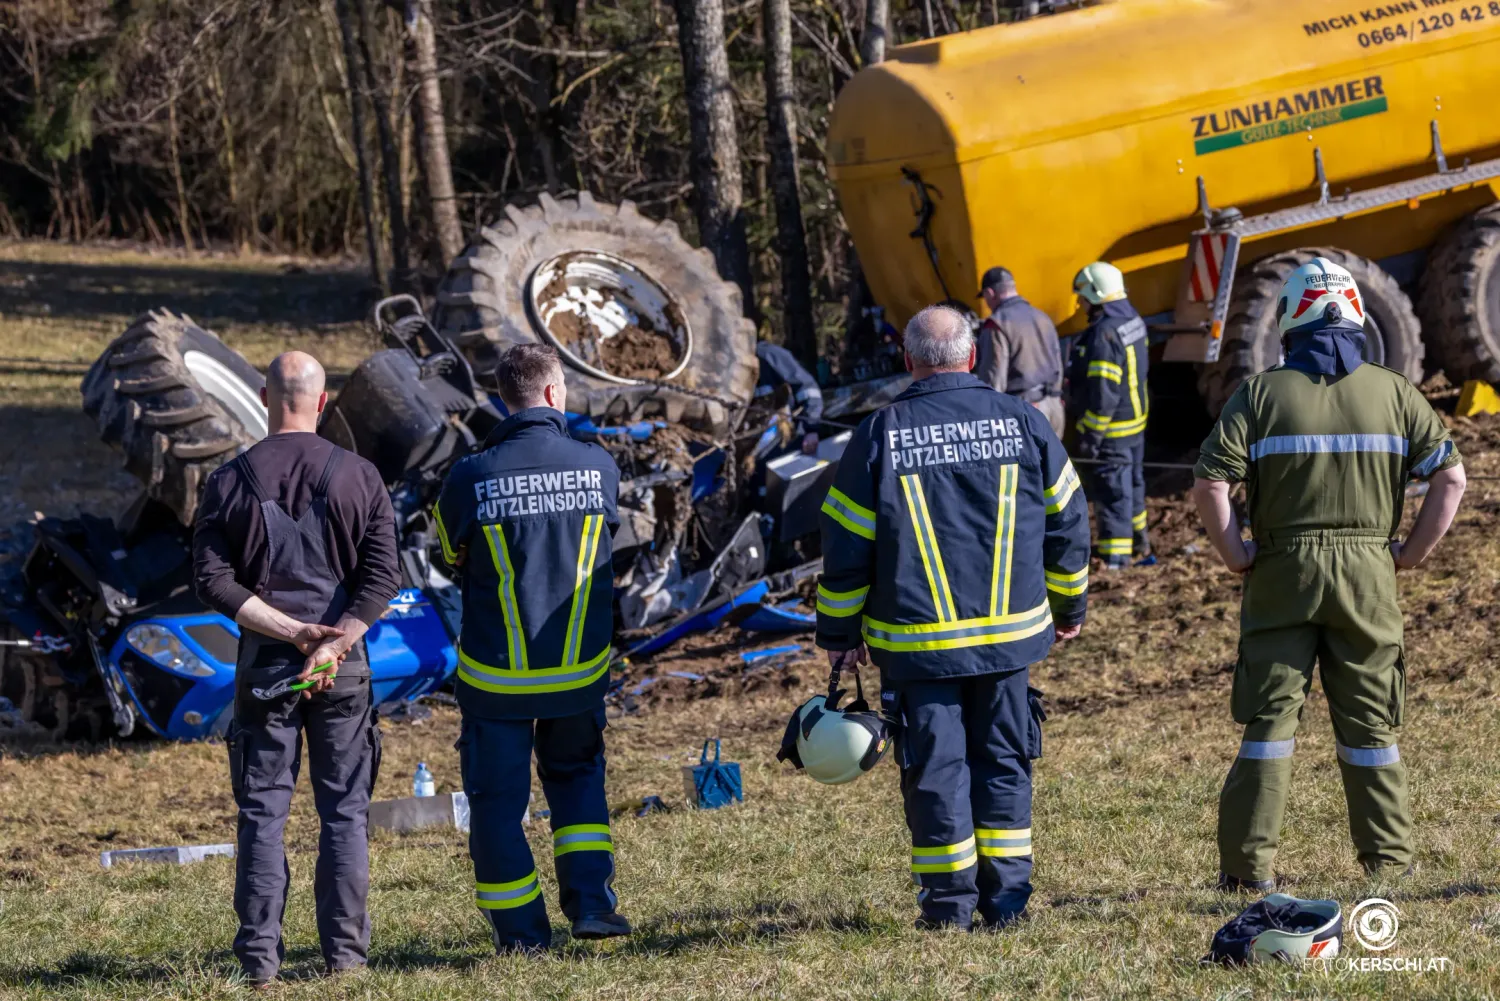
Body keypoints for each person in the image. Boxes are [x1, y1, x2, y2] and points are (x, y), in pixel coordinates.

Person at [1191, 257, 1466, 891]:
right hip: (1369, 572)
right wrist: (1409, 554)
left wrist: (1236, 552)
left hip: (1283, 573)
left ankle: (1245, 871)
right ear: (1358, 316)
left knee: (1269, 727)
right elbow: (1450, 478)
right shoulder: (1396, 392)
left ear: (1290, 317)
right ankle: (1388, 867)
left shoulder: (1259, 394)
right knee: (1371, 727)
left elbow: (1210, 482)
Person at [814, 305, 1091, 930]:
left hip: (917, 649)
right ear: (971, 356)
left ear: (908, 362)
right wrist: (1069, 605)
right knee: (1003, 762)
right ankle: (1008, 903)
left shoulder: (879, 433)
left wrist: (838, 632)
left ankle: (947, 908)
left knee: (936, 771)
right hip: (1009, 643)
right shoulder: (1024, 421)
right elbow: (1070, 520)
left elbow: (845, 546)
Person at [193, 351, 399, 988]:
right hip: (345, 672)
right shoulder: (360, 476)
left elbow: (210, 581)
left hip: (265, 671)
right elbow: (384, 577)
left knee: (263, 813)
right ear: (323, 398)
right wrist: (333, 644)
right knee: (343, 814)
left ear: (262, 395)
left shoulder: (228, 480)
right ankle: (345, 961)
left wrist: (290, 632)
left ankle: (260, 965)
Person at [433, 344, 629, 953]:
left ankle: (521, 935)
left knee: (496, 806)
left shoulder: (470, 476)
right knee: (578, 785)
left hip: (496, 680)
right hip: (578, 673)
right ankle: (593, 906)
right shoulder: (599, 468)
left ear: (503, 398)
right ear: (552, 394)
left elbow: (449, 554)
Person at [1067, 261, 1152, 568]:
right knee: (1133, 484)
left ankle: (1116, 560)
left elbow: (1103, 396)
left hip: (1113, 431)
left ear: (1097, 293)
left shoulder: (1104, 335)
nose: (1081, 303)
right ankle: (1140, 540)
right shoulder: (1131, 318)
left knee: (1113, 493)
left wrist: (1090, 436)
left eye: (1084, 297)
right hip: (1135, 425)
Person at [974, 266, 1066, 438]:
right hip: (1055, 408)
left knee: (1023, 464)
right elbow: (1058, 364)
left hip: (1026, 412)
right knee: (1055, 463)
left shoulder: (997, 325)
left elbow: (994, 380)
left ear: (989, 293)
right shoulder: (1042, 317)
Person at [756, 340, 825, 455]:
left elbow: (807, 390)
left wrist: (811, 429)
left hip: (788, 443)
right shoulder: (725, 368)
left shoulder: (767, 354)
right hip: (752, 456)